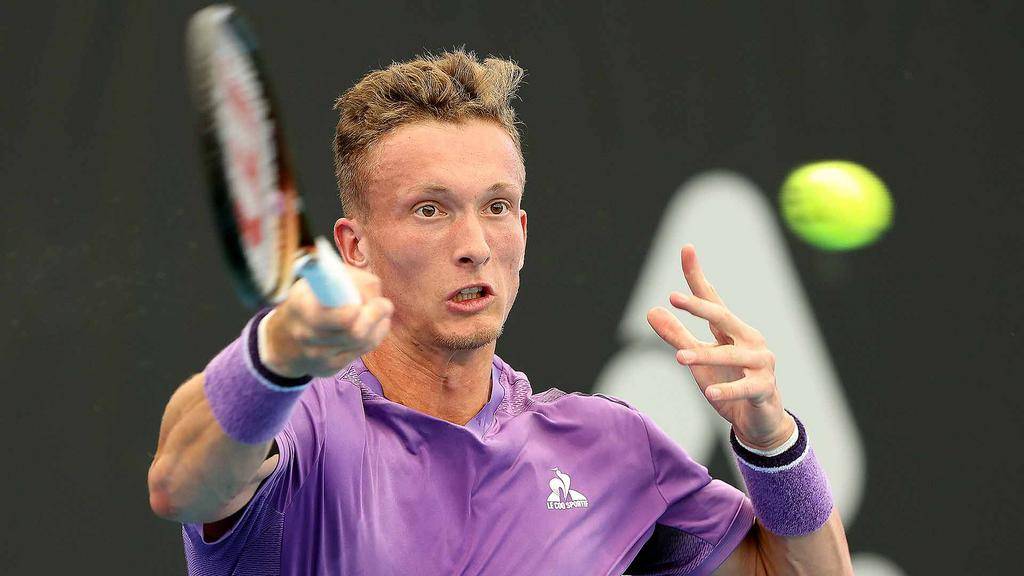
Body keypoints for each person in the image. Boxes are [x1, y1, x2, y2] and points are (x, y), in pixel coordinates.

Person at [148, 49, 854, 575]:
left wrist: (773, 445)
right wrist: (276, 354)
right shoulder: (301, 425)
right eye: (430, 210)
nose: (475, 246)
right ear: (354, 247)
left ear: (523, 228)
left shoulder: (608, 447)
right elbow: (181, 483)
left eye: (496, 207)